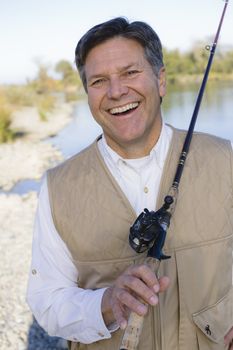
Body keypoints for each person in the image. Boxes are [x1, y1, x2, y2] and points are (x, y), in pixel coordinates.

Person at [27, 17, 233, 350]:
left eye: (130, 73)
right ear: (87, 94)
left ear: (161, 80)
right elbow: (46, 301)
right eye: (99, 81)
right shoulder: (57, 186)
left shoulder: (225, 158)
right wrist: (106, 303)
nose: (116, 91)